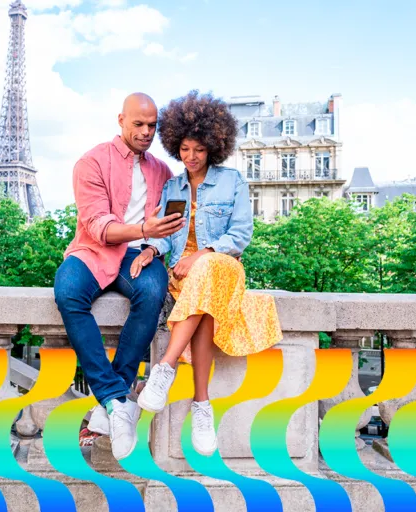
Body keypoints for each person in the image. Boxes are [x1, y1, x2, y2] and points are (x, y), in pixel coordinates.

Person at [131, 91, 283, 455]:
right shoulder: (172, 187)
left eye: (198, 149)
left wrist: (201, 254)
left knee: (209, 272)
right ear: (176, 147)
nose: (191, 156)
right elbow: (167, 237)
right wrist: (151, 249)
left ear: (213, 146)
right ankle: (202, 405)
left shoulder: (233, 182)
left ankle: (165, 367)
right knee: (203, 305)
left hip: (223, 265)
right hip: (184, 275)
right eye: (184, 149)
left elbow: (240, 235)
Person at [54, 93, 185, 460]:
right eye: (138, 124)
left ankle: (110, 403)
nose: (146, 132)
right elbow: (96, 225)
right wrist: (144, 227)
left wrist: (152, 246)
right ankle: (116, 400)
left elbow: (171, 228)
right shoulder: (91, 162)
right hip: (93, 249)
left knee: (153, 292)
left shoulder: (163, 172)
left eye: (152, 126)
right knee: (67, 292)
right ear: (121, 120)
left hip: (138, 254)